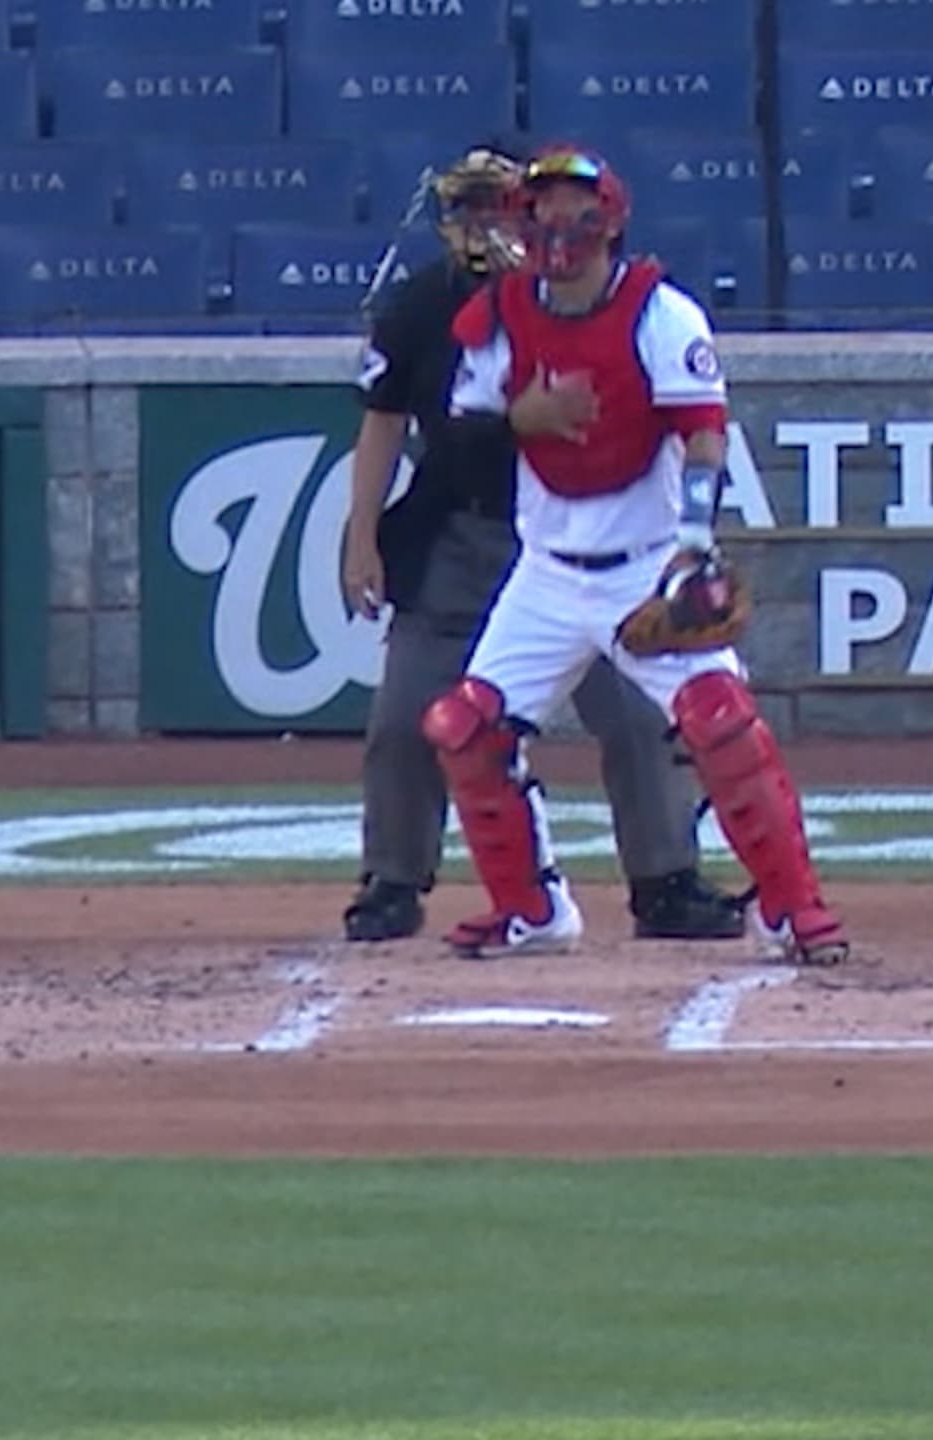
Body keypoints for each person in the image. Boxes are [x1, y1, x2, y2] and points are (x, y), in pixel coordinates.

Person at [423, 144, 849, 964]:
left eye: (573, 214)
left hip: (647, 561)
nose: (555, 231)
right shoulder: (501, 318)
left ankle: (793, 909)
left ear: (608, 223)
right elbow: (455, 442)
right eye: (541, 212)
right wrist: (525, 419)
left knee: (722, 726)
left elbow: (703, 439)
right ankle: (532, 911)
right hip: (545, 571)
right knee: (464, 728)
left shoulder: (663, 316)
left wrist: (693, 547)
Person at [340, 143, 746, 946]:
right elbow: (388, 423)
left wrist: (688, 532)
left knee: (638, 717)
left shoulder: (602, 299)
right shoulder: (424, 306)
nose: (485, 224)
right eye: (470, 207)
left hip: (584, 538)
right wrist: (363, 537)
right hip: (461, 530)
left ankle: (667, 879)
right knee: (408, 721)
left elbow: (683, 420)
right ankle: (392, 880)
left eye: (501, 203)